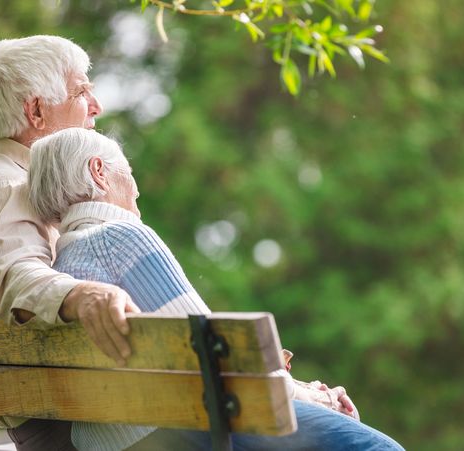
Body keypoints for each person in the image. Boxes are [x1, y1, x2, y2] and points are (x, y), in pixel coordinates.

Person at [28, 127, 405, 451]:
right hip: (178, 428)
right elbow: (218, 358)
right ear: (99, 172)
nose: (137, 187)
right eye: (128, 171)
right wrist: (314, 397)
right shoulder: (120, 237)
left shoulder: (58, 271)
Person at [0, 36, 140, 451]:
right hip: (64, 423)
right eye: (81, 90)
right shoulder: (9, 184)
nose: (96, 106)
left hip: (72, 405)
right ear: (36, 111)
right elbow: (16, 276)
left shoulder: (26, 183)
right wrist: (83, 294)